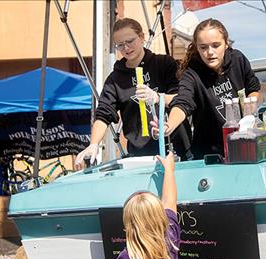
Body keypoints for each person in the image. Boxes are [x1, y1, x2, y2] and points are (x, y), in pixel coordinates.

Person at [75, 18, 191, 165]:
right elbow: (103, 113)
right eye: (120, 45)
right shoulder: (115, 79)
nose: (126, 48)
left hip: (177, 147)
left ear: (142, 37)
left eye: (130, 41)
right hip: (142, 155)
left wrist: (157, 97)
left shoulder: (164, 63)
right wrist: (94, 144)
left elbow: (182, 99)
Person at [151, 18, 261, 160]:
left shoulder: (238, 59)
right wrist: (168, 126)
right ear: (197, 48)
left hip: (244, 145)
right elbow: (183, 102)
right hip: (209, 154)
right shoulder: (191, 74)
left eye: (216, 45)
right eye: (203, 47)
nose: (210, 52)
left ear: (226, 44)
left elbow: (253, 88)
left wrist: (249, 111)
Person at [108, 151, 179, 259]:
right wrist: (169, 170)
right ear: (160, 217)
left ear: (129, 226)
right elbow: (169, 201)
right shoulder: (171, 236)